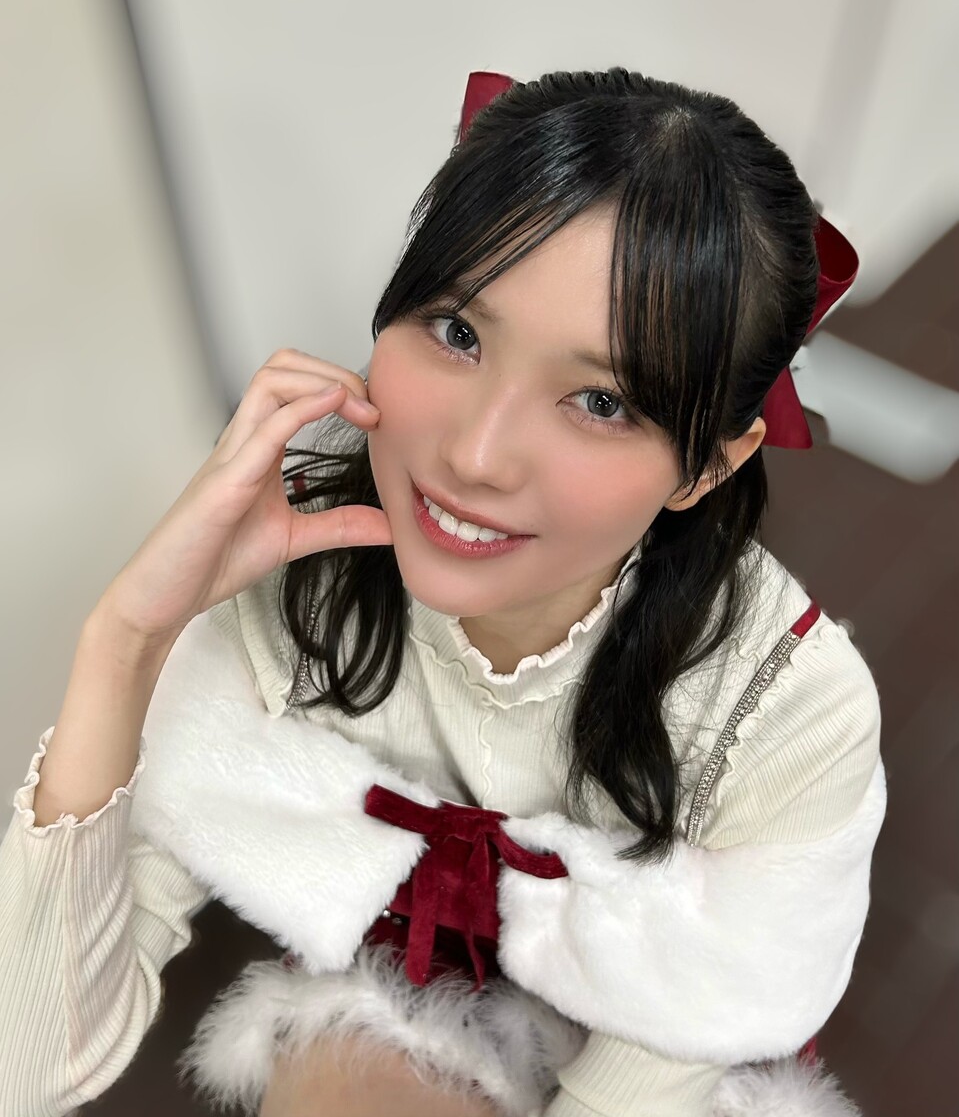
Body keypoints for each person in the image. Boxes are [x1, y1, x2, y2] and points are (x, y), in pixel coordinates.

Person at [0, 68, 884, 1117]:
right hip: (392, 1003)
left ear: (707, 467)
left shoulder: (782, 712)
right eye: (458, 332)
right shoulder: (297, 583)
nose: (473, 455)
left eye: (600, 400)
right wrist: (128, 640)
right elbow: (27, 1064)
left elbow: (672, 1044)